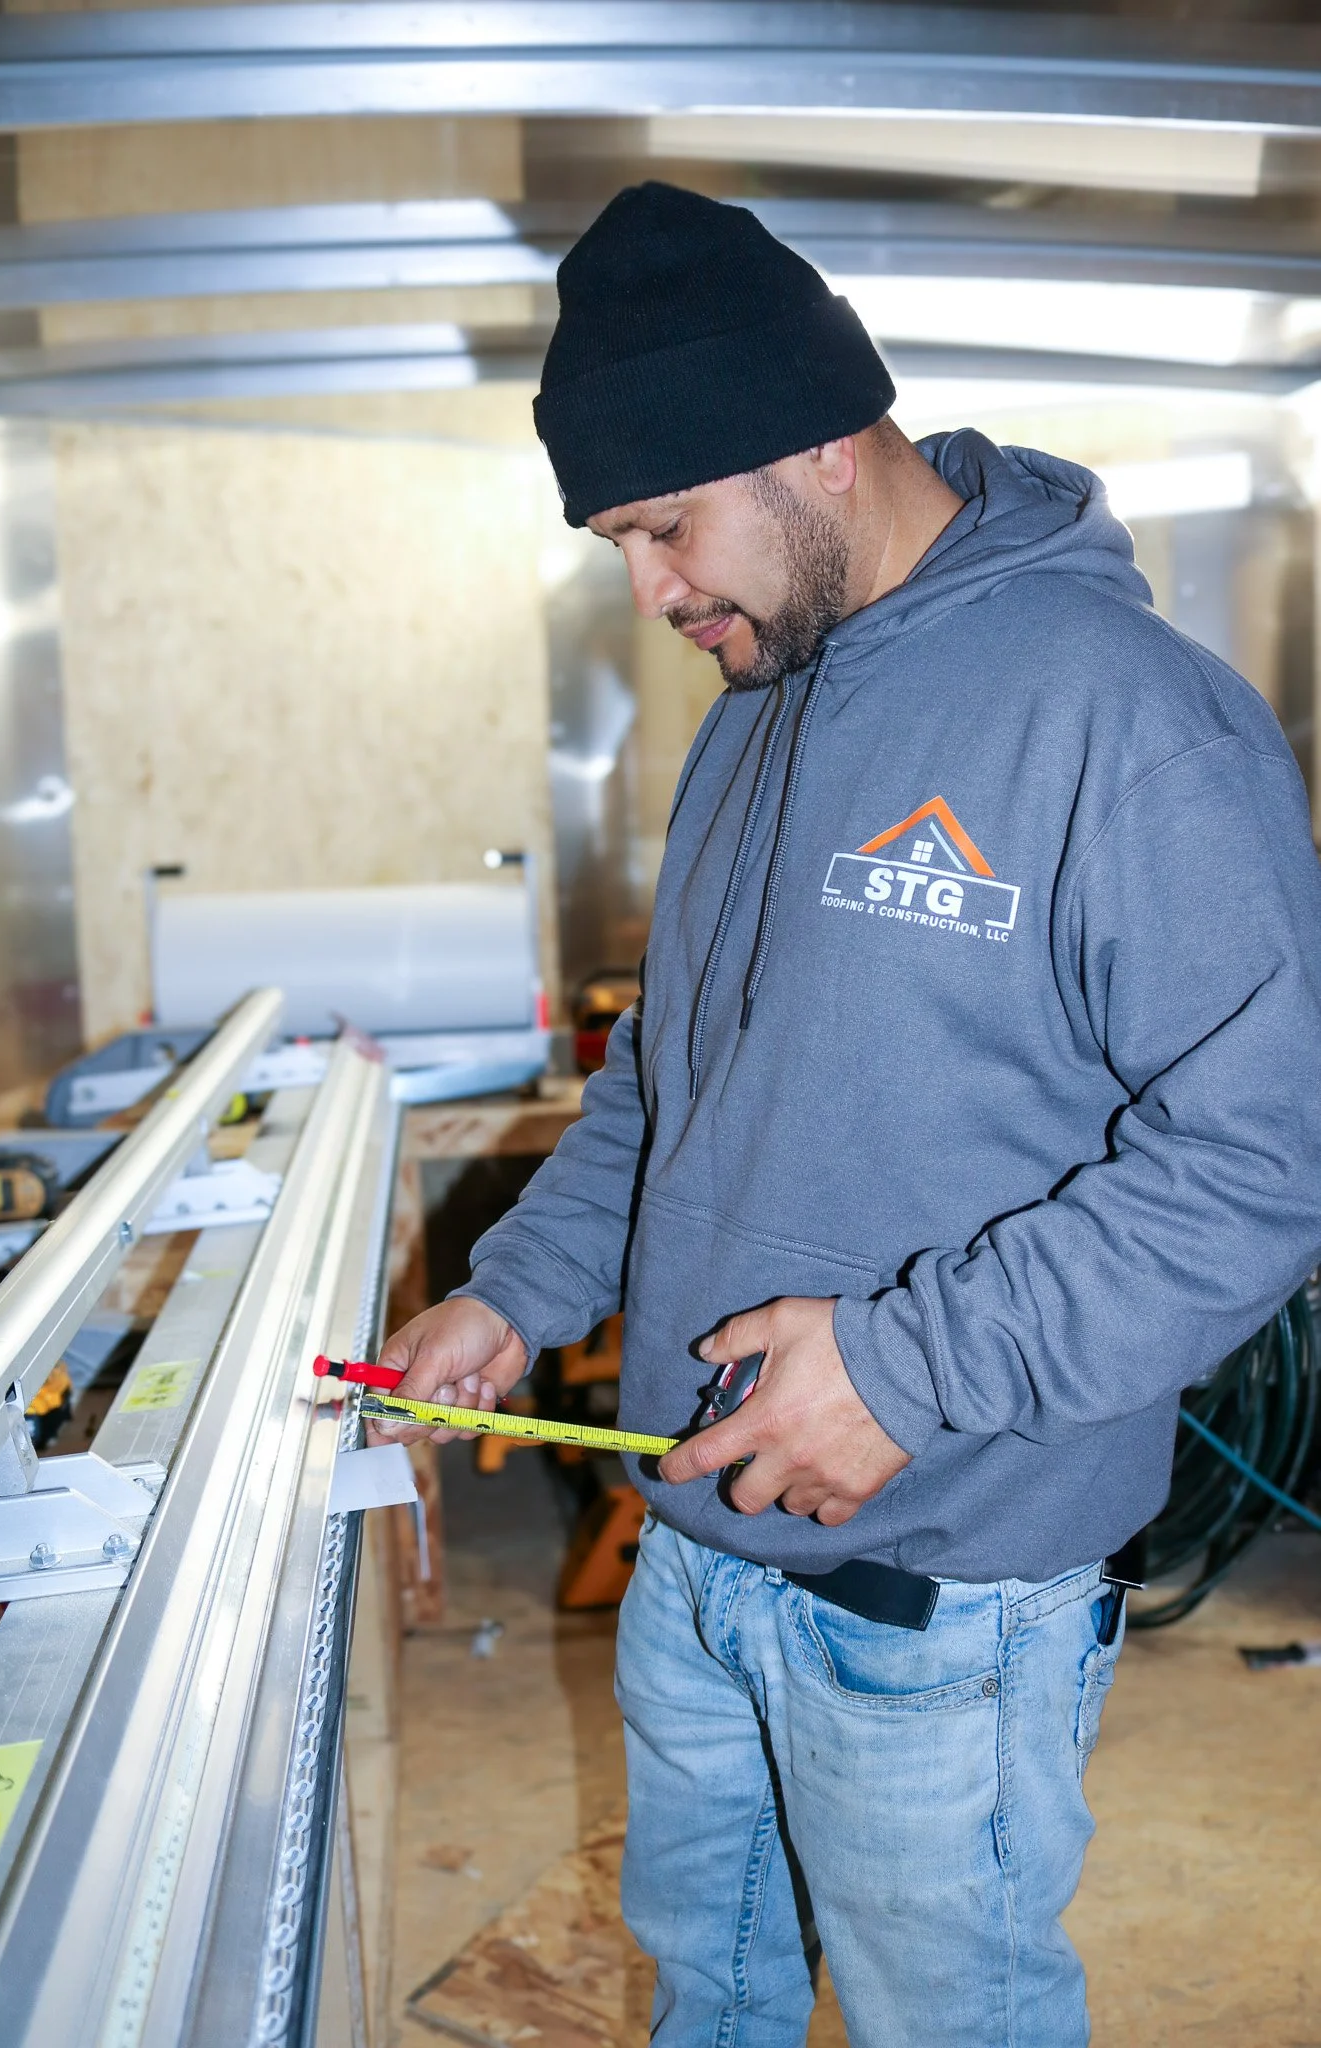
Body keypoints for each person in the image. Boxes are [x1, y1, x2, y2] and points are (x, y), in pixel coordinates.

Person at [371, 184, 1321, 2047]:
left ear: (821, 445)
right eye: (618, 542)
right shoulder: (758, 706)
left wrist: (901, 1368)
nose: (650, 592)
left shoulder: (1126, 721)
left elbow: (1267, 1162)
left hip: (938, 1595)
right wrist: (517, 1291)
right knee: (703, 1996)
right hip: (700, 1547)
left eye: (664, 526)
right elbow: (675, 1080)